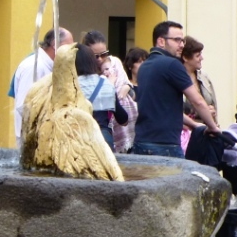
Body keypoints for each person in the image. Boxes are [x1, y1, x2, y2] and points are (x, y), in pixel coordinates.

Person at [133, 21, 220, 158]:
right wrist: (213, 127)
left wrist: (195, 125)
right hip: (165, 145)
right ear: (161, 41)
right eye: (177, 40)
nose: (182, 45)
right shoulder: (172, 64)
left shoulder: (145, 66)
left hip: (141, 142)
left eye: (182, 40)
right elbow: (197, 101)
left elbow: (165, 109)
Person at [11, 28, 74, 142]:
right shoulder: (34, 66)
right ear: (55, 45)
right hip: (33, 136)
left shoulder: (48, 65)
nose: (71, 52)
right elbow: (24, 106)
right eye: (68, 47)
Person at [81, 30, 134, 154]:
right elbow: (123, 118)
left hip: (100, 134)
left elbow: (130, 91)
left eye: (104, 54)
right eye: (95, 56)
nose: (100, 59)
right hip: (96, 135)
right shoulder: (101, 83)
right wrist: (109, 85)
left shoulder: (114, 64)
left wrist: (126, 87)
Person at [75, 45, 128, 149]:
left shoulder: (69, 86)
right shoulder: (106, 85)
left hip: (77, 141)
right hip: (102, 142)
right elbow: (123, 120)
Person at [181, 35, 218, 130]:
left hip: (206, 131)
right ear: (185, 58)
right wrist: (204, 112)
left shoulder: (204, 77)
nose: (202, 58)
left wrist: (213, 116)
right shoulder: (176, 78)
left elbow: (213, 104)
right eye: (198, 55)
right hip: (184, 134)